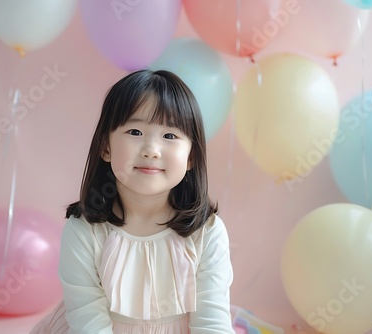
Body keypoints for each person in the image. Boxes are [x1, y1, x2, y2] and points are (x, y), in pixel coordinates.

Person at [30, 69, 235, 333]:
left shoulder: (207, 232)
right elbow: (87, 320)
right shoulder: (84, 230)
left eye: (170, 136)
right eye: (135, 131)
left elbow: (212, 323)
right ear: (106, 147)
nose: (151, 150)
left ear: (191, 158)